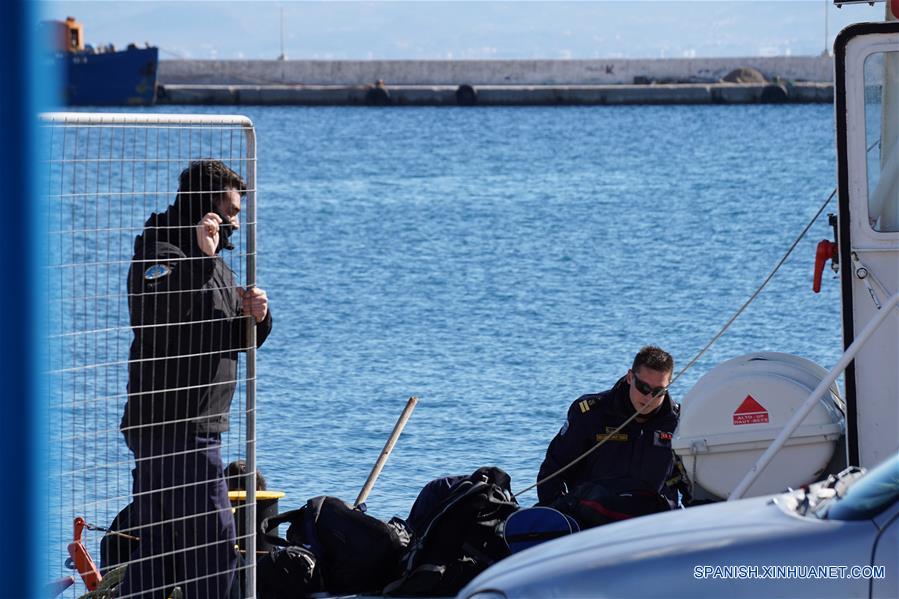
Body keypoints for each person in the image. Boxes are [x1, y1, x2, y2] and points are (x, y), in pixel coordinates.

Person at [120, 160, 273, 598]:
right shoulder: (160, 251)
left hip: (193, 426)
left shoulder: (215, 265)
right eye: (231, 211)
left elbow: (231, 338)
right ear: (205, 209)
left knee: (160, 553)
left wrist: (258, 318)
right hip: (176, 428)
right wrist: (200, 262)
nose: (236, 223)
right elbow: (153, 317)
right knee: (216, 550)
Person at [536, 346, 683, 509]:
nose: (649, 398)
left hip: (655, 523)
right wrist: (558, 516)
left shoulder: (680, 422)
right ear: (630, 377)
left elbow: (693, 481)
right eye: (643, 387)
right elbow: (553, 471)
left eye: (658, 392)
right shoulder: (591, 414)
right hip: (593, 519)